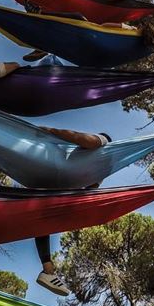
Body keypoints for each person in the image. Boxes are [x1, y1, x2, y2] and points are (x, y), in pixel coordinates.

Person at [31, 127, 111, 296]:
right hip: (57, 178)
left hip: (55, 184)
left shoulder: (104, 162)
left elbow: (91, 188)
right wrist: (49, 132)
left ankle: (48, 270)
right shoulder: (104, 144)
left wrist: (49, 131)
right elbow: (82, 138)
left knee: (43, 220)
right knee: (44, 220)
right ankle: (47, 270)